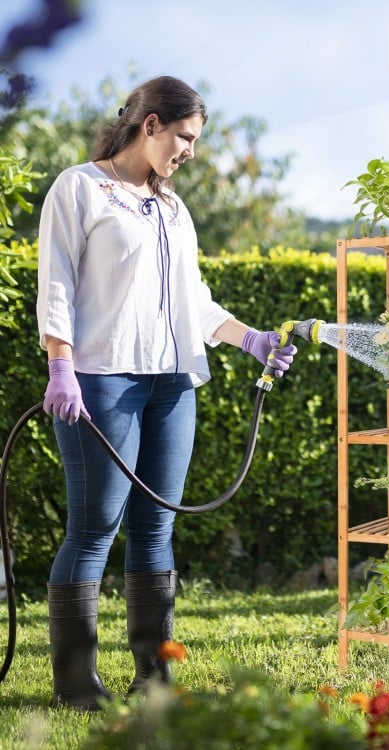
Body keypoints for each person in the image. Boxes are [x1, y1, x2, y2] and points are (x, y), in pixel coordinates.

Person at [36, 75, 296, 711]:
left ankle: (154, 675)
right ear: (149, 124)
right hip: (101, 379)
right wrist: (60, 364)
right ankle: (76, 682)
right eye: (183, 137)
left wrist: (248, 338)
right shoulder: (80, 188)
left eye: (194, 141)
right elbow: (58, 283)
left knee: (157, 528)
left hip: (174, 380)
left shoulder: (173, 208)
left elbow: (195, 301)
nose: (188, 151)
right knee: (96, 524)